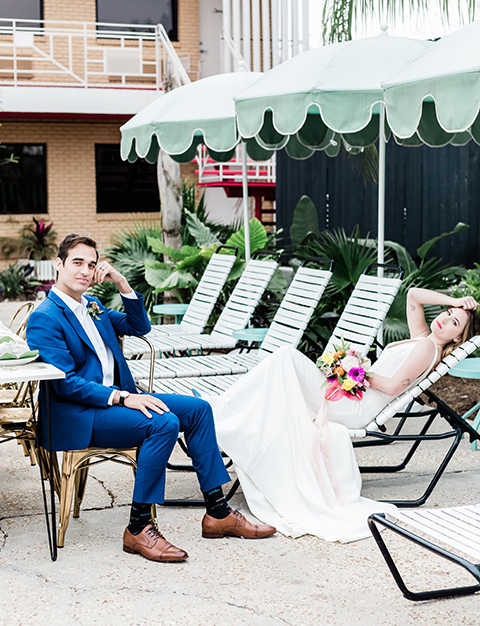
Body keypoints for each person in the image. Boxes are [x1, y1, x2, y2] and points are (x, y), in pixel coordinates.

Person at [26, 233, 275, 563]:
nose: (85, 271)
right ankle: (139, 527)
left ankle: (218, 512)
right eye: (77, 263)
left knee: (199, 410)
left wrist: (121, 282)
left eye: (92, 264)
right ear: (58, 264)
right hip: (80, 414)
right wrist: (122, 398)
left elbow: (139, 326)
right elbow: (65, 384)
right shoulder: (46, 317)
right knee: (163, 423)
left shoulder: (94, 307)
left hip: (116, 401)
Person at [209, 287, 480, 542]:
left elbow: (393, 386)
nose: (445, 319)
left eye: (454, 323)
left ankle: (224, 411)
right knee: (283, 364)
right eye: (446, 314)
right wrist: (453, 302)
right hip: (354, 396)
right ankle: (228, 411)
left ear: (457, 338)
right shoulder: (424, 338)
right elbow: (413, 295)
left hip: (358, 408)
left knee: (286, 357)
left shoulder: (427, 349)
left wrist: (353, 368)